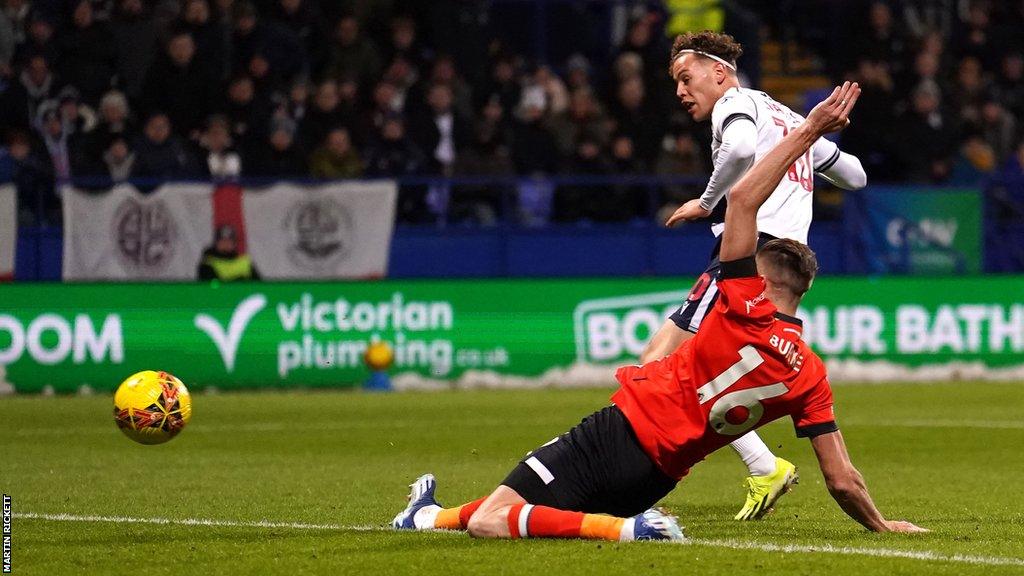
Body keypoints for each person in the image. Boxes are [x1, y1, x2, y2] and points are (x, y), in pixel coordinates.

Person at [391, 82, 928, 542]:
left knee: (492, 520)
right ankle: (427, 516)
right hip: (659, 475)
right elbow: (841, 479)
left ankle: (630, 530)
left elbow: (740, 201)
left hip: (621, 432)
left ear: (761, 278)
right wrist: (883, 526)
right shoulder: (811, 375)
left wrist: (809, 130)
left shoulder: (742, 303)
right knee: (531, 502)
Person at [647, 31, 868, 520]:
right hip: (790, 265)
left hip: (751, 254)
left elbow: (744, 147)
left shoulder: (735, 103)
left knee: (659, 360)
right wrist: (812, 150)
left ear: (719, 72)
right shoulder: (790, 118)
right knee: (709, 371)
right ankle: (767, 464)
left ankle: (761, 466)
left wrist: (706, 203)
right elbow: (855, 176)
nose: (681, 91)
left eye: (686, 78)